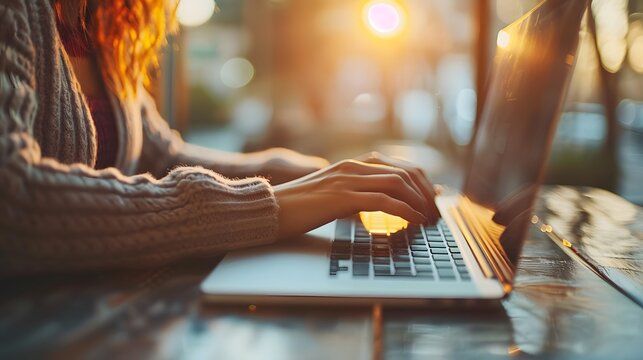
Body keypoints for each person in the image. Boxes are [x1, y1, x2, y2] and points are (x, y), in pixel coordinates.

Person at [0, 0, 438, 276]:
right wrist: (273, 204)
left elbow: (155, 154)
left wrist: (318, 178)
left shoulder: (102, 16)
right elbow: (12, 199)